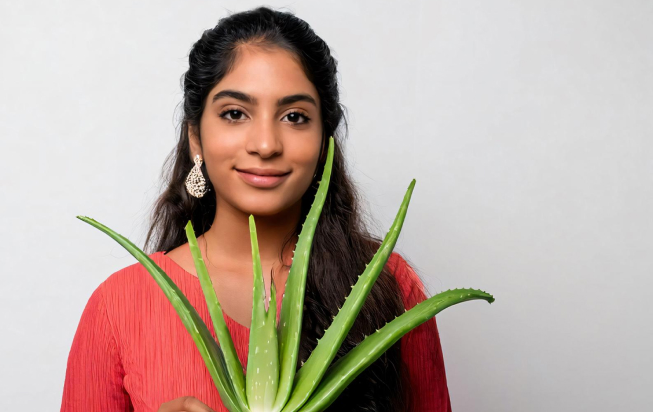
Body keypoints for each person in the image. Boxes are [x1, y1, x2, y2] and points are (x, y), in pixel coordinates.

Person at [61, 6, 451, 412]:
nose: (265, 144)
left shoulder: (384, 284)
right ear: (196, 137)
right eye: (235, 114)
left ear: (323, 142)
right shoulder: (120, 304)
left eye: (295, 117)